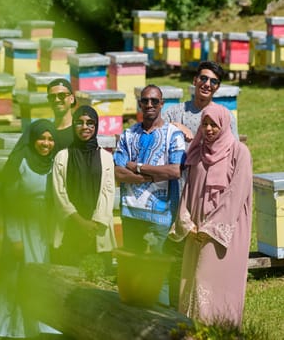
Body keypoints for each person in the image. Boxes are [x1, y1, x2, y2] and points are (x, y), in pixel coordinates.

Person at [168, 104, 252, 328]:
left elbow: (236, 194)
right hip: (196, 232)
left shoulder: (239, 152)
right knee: (192, 281)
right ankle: (192, 330)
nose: (208, 128)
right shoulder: (197, 152)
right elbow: (188, 191)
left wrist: (211, 229)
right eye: (205, 123)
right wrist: (187, 223)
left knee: (213, 280)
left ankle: (220, 330)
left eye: (214, 124)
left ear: (225, 125)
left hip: (224, 234)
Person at [0, 119, 60, 339]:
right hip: (22, 227)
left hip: (42, 230)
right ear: (32, 139)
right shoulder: (20, 161)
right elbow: (9, 203)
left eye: (50, 139)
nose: (46, 143)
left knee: (39, 278)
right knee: (13, 279)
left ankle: (33, 327)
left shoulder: (53, 163)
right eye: (41, 138)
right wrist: (14, 237)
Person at [113, 85, 185, 305]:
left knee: (158, 272)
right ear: (140, 104)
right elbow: (117, 170)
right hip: (131, 213)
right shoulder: (128, 134)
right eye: (145, 101)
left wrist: (138, 167)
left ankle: (160, 323)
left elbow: (174, 170)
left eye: (155, 101)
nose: (150, 105)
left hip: (161, 216)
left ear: (162, 104)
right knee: (132, 268)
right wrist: (151, 175)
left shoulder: (174, 135)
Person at [52, 105, 117, 271]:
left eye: (90, 123)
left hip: (97, 230)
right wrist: (80, 222)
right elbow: (59, 193)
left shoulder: (106, 158)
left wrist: (94, 223)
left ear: (96, 127)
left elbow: (108, 193)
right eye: (79, 123)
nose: (85, 127)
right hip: (71, 227)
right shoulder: (63, 156)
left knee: (100, 281)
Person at [162, 60, 238, 145]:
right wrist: (175, 126)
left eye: (213, 81)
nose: (207, 84)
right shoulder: (175, 112)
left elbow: (235, 149)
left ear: (217, 87)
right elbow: (155, 131)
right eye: (203, 78)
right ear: (195, 81)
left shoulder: (226, 116)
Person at [47, 78, 76, 151]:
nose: (57, 100)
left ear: (72, 99)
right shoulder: (45, 132)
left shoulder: (79, 131)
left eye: (62, 95)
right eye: (52, 97)